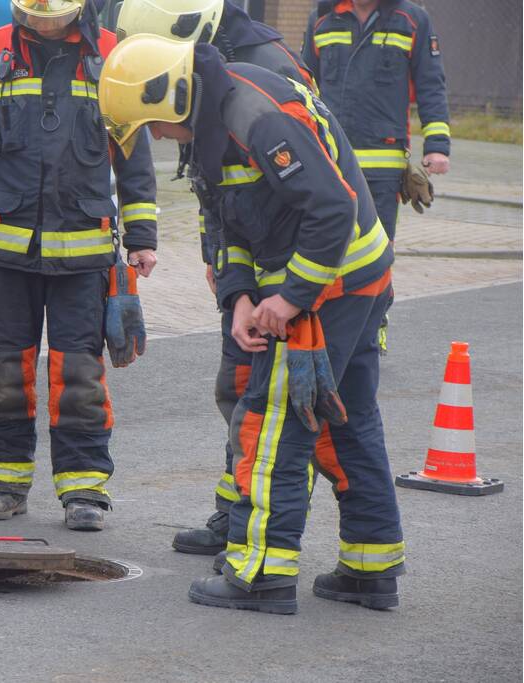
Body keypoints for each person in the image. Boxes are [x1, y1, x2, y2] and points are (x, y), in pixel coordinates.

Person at [100, 36, 405, 613]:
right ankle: (371, 567)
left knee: (275, 424)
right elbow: (228, 217)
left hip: (331, 284)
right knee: (347, 420)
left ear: (171, 96)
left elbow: (331, 209)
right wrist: (239, 295)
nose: (156, 138)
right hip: (348, 277)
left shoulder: (255, 118)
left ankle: (263, 572)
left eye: (152, 125)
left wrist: (290, 298)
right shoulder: (214, 113)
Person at [0, 0, 158, 531]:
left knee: (79, 375)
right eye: (35, 12)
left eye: (53, 13)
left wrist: (143, 237)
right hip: (5, 255)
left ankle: (84, 489)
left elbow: (133, 151)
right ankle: (4, 483)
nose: (44, 21)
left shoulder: (111, 56)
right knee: (4, 373)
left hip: (83, 256)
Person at [116, 0, 319, 560]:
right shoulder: (203, 66)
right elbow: (212, 174)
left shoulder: (263, 68)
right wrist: (228, 269)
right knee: (238, 391)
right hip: (249, 264)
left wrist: (281, 290)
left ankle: (265, 527)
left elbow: (307, 187)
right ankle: (235, 514)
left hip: (292, 274)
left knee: (275, 410)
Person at [302, 0, 451, 351]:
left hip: (382, 166)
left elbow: (430, 83)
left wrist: (437, 144)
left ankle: (373, 328)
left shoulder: (411, 20)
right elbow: (304, 84)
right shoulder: (322, 19)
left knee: (378, 254)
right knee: (326, 246)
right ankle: (324, 327)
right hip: (329, 162)